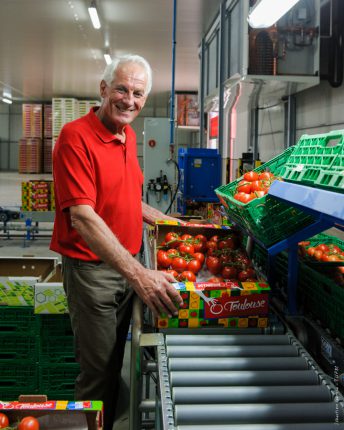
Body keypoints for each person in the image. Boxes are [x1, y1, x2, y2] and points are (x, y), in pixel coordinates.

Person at [50, 54, 183, 430]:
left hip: (128, 265)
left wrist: (171, 222)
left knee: (116, 361)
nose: (129, 100)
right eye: (122, 89)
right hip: (96, 275)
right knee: (98, 373)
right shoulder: (76, 137)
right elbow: (83, 216)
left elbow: (124, 196)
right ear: (104, 89)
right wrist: (140, 274)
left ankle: (110, 414)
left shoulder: (127, 135)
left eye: (138, 93)